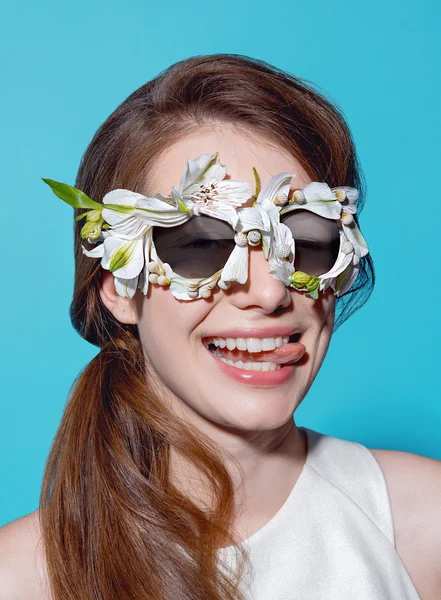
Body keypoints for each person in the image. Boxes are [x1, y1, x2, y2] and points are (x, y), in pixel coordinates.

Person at [0, 53, 440, 600]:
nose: (270, 291)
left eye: (305, 240)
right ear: (117, 286)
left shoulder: (426, 527)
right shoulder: (19, 578)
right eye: (201, 244)